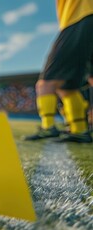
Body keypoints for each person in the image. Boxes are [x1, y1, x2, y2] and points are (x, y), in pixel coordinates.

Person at [24, 0, 93, 143]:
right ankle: (79, 129)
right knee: (67, 87)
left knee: (46, 83)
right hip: (84, 17)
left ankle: (48, 127)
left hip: (78, 16)